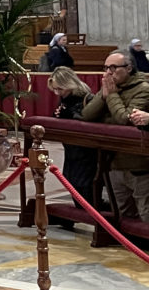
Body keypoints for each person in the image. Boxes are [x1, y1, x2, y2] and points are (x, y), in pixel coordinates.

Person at [81, 49, 149, 224]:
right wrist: (103, 96)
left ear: (128, 68)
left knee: (145, 213)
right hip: (112, 161)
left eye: (113, 67)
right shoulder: (111, 87)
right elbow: (86, 115)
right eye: (106, 68)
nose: (108, 73)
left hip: (138, 164)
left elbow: (124, 120)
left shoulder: (143, 89)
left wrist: (111, 95)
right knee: (122, 213)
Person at [47, 66, 97, 206]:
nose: (57, 93)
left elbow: (86, 120)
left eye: (60, 89)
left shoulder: (86, 98)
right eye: (55, 89)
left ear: (68, 84)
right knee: (70, 181)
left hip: (85, 151)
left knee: (83, 185)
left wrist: (68, 115)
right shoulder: (65, 99)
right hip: (70, 148)